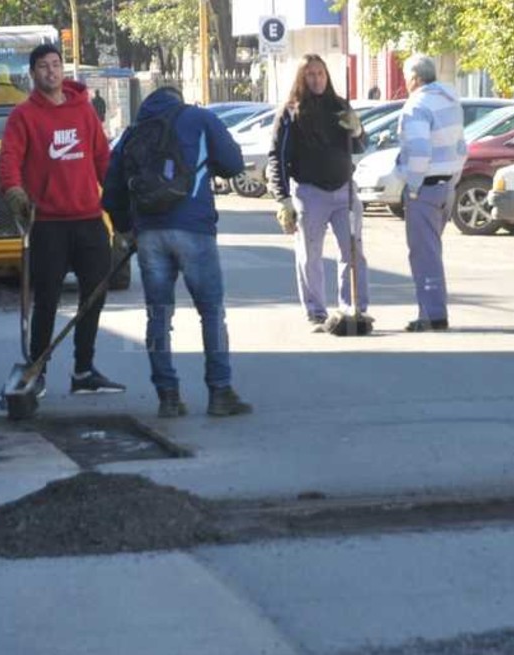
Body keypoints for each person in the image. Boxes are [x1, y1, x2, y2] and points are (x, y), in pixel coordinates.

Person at [101, 86, 252, 419]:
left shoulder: (133, 132)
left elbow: (110, 189)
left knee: (158, 316)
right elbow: (233, 163)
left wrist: (129, 230)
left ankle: (168, 397)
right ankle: (220, 392)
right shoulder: (199, 118)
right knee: (211, 312)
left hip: (150, 235)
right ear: (178, 99)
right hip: (193, 229)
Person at [0, 43, 122, 398]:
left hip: (88, 220)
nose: (51, 71)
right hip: (48, 223)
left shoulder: (84, 112)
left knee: (94, 295)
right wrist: (13, 191)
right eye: (43, 66)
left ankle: (84, 370)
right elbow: (9, 159)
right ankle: (38, 370)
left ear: (63, 69)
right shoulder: (23, 116)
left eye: (56, 64)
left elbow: (103, 160)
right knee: (47, 299)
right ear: (33, 74)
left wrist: (119, 206)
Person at [266, 54, 368, 329]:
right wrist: (283, 199)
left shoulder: (340, 106)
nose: (317, 79)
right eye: (310, 74)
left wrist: (357, 129)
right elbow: (277, 156)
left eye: (321, 73)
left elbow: (360, 144)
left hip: (344, 192)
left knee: (353, 252)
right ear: (301, 78)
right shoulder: (290, 113)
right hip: (310, 194)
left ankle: (353, 307)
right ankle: (316, 311)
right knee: (310, 254)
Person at [395, 54, 465, 332]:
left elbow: (420, 152)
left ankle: (432, 314)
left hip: (425, 186)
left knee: (424, 255)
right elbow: (461, 146)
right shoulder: (451, 100)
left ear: (414, 78)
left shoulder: (417, 106)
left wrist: (411, 187)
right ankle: (434, 309)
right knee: (432, 251)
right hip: (447, 184)